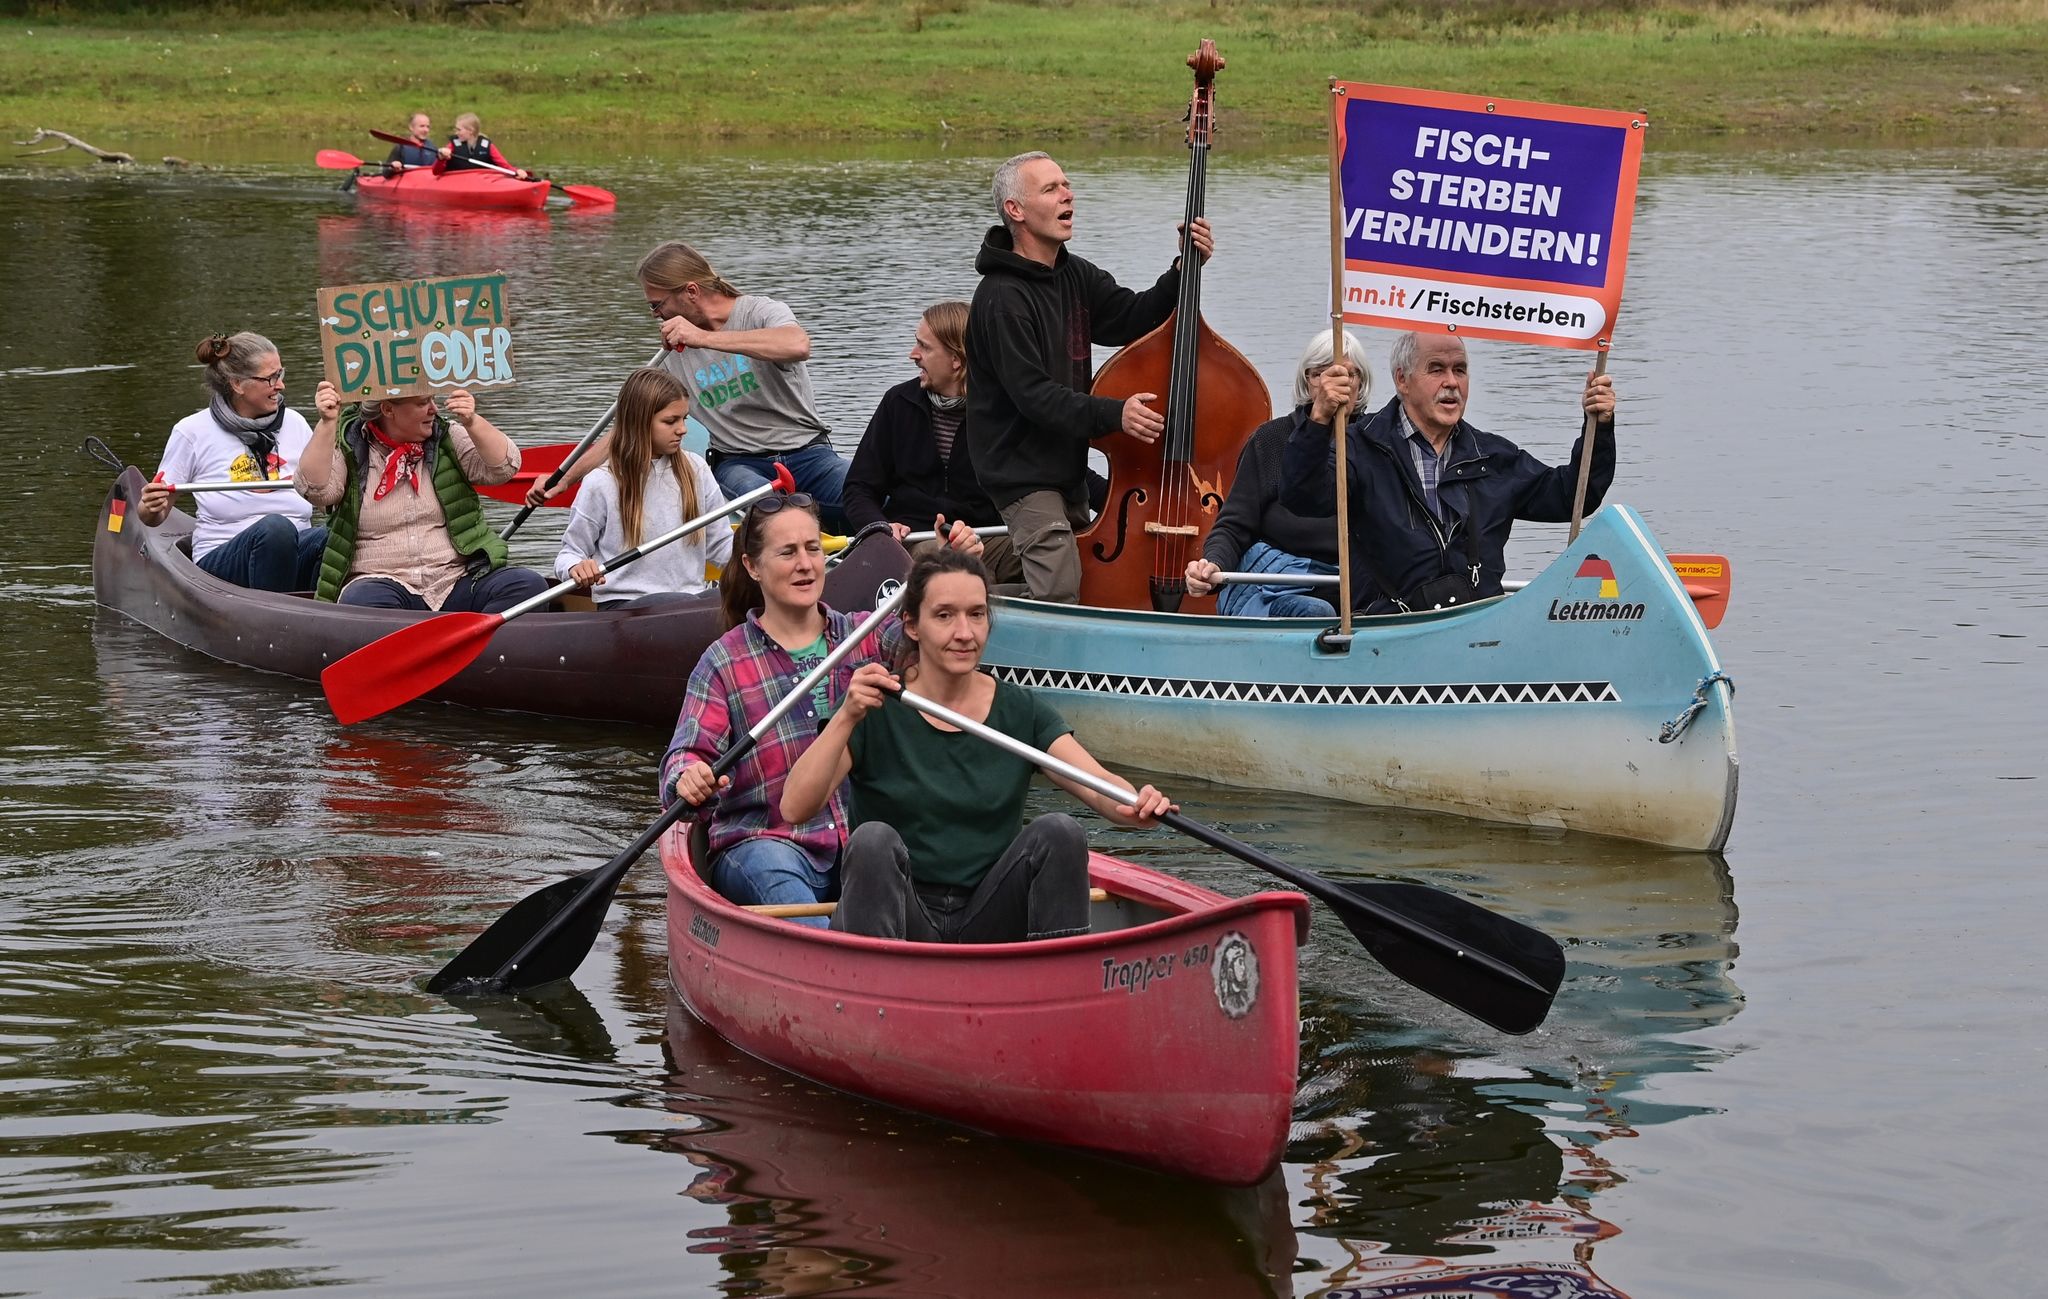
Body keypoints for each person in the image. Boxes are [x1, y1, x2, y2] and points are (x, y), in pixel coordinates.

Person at [782, 548, 1174, 943]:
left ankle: (1059, 987)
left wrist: (1139, 804)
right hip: (902, 917)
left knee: (1061, 832)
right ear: (912, 625)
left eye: (976, 614)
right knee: (872, 841)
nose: (965, 633)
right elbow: (795, 808)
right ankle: (874, 988)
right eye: (944, 615)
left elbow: (1099, 785)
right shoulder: (875, 703)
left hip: (989, 915)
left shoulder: (1020, 709)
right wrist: (846, 718)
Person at [660, 495, 984, 926]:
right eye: (787, 552)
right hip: (767, 845)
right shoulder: (723, 662)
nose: (806, 564)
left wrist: (950, 568)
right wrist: (690, 776)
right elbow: (684, 757)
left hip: (865, 844)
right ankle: (844, 965)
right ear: (753, 566)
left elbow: (938, 641)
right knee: (780, 880)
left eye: (813, 549)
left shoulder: (866, 635)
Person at [965, 150, 1212, 603]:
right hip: (1020, 474)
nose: (1068, 194)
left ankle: (971, 596)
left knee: (1092, 580)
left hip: (1067, 470)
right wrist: (1115, 414)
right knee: (1059, 588)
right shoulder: (1001, 298)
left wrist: (1183, 269)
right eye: (1051, 188)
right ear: (1015, 211)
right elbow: (1033, 395)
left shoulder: (1074, 274)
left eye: (1066, 183)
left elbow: (1130, 318)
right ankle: (957, 606)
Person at [1280, 331, 1617, 614]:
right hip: (1385, 636)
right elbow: (1302, 497)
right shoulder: (1358, 448)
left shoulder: (1492, 456)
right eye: (1437, 369)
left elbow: (1574, 497)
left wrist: (1597, 429)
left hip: (1479, 633)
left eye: (1460, 369)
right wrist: (1319, 420)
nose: (1452, 383)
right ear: (1402, 379)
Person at [295, 380, 548, 611]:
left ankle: (471, 652)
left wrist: (472, 420)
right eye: (422, 403)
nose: (434, 409)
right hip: (380, 583)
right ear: (387, 409)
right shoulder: (351, 446)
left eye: (433, 400)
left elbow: (504, 468)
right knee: (364, 603)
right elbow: (316, 491)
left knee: (528, 586)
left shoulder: (447, 437)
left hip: (454, 579)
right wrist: (328, 422)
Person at [1183, 329, 1376, 618]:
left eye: (1347, 375)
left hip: (1355, 583)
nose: (1333, 386)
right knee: (1315, 612)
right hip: (1280, 584)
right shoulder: (1271, 439)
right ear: (1306, 381)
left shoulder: (1377, 442)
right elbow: (1235, 525)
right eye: (1321, 375)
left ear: (1361, 384)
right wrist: (1212, 565)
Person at [842, 301, 1023, 586]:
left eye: (924, 347)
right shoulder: (898, 403)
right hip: (918, 540)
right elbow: (859, 488)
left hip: (986, 538)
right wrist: (878, 527)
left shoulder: (1004, 411)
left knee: (1049, 552)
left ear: (956, 359)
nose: (913, 355)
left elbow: (1060, 469)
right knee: (943, 562)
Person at [135, 332, 329, 593]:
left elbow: (326, 497)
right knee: (275, 529)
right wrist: (149, 506)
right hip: (222, 559)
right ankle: (277, 615)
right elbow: (154, 517)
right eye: (271, 378)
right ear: (238, 384)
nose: (281, 386)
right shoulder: (191, 431)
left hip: (293, 547)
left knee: (333, 536)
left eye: (280, 374)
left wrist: (331, 424)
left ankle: (322, 610)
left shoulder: (294, 423)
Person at [555, 367, 729, 608]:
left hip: (690, 603)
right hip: (625, 606)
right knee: (684, 604)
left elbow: (721, 545)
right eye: (670, 421)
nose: (683, 429)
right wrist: (577, 567)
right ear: (639, 422)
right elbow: (569, 554)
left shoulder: (696, 469)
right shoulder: (601, 482)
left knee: (726, 599)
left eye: (684, 418)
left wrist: (762, 566)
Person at [436, 112, 533, 181]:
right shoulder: (452, 145)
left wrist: (517, 171)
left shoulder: (487, 146)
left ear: (471, 131)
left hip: (483, 182)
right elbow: (435, 172)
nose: (456, 133)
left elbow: (505, 166)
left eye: (459, 130)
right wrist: (441, 158)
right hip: (458, 181)